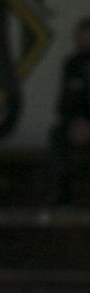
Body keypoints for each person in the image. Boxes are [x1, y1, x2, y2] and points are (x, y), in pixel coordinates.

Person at [47, 18, 90, 205]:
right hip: (74, 125)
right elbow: (63, 103)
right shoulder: (71, 64)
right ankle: (63, 194)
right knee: (56, 135)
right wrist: (75, 122)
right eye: (83, 37)